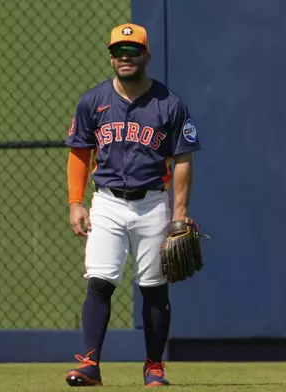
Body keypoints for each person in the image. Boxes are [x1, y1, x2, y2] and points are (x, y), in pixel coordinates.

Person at [64, 23, 201, 387]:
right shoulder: (92, 101)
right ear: (111, 57)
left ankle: (154, 366)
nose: (125, 57)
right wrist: (76, 202)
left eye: (133, 50)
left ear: (146, 55)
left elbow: (183, 158)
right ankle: (89, 364)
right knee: (99, 280)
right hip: (106, 201)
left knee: (154, 285)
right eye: (119, 51)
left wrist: (180, 214)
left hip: (152, 202)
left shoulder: (169, 103)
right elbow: (79, 153)